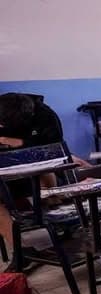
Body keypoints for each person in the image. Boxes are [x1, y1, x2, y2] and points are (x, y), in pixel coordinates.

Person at [0, 93, 66, 253]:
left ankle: (62, 224)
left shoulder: (45, 116)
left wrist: (22, 143)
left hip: (42, 171)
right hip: (7, 174)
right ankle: (22, 252)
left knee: (45, 176)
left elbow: (55, 150)